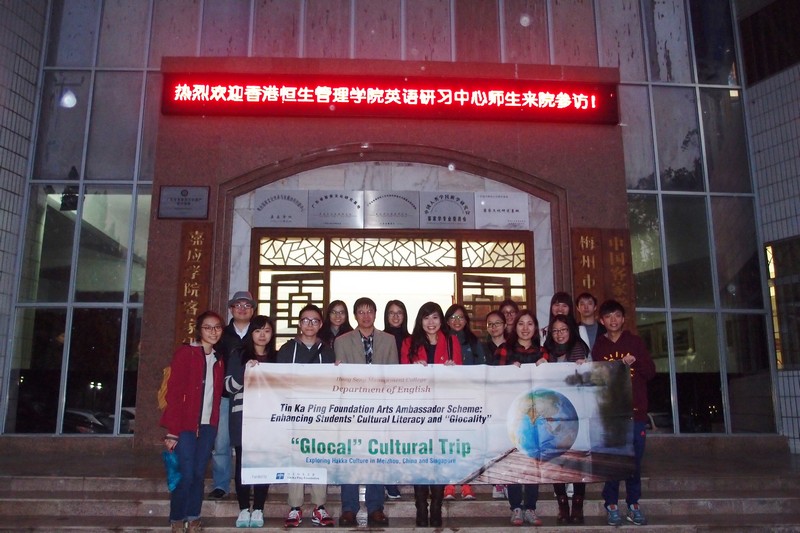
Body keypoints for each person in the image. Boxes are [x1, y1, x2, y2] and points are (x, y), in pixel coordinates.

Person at [334, 297, 398, 528]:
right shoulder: (341, 341)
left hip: (380, 410)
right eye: (361, 311)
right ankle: (349, 508)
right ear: (355, 315)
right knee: (349, 457)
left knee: (376, 457)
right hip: (351, 410)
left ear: (375, 313)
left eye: (370, 311)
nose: (366, 315)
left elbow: (393, 376)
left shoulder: (389, 340)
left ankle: (375, 507)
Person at [592, 299, 656, 527]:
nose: (613, 320)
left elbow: (650, 372)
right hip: (611, 415)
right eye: (608, 317)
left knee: (634, 462)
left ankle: (633, 503)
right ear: (602, 321)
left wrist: (635, 363)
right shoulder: (599, 345)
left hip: (636, 413)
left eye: (617, 315)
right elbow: (596, 378)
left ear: (623, 318)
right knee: (612, 461)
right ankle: (610, 504)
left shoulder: (635, 342)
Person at [161, 311, 225, 533]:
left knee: (198, 474)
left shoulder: (218, 360)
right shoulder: (185, 354)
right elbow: (174, 393)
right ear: (200, 330)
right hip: (185, 427)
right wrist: (172, 431)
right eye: (208, 327)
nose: (213, 331)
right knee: (185, 474)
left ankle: (194, 516)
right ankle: (177, 518)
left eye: (217, 327)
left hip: (207, 426)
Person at [401, 301, 462, 527]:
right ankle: (421, 506)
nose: (431, 322)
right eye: (426, 318)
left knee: (438, 457)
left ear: (441, 320)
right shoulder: (409, 342)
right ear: (420, 320)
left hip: (443, 410)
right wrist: (413, 367)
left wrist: (453, 367)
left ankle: (436, 505)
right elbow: (403, 374)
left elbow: (460, 375)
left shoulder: (451, 341)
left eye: (435, 317)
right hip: (417, 411)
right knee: (420, 458)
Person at [276, 304, 336, 527]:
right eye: (305, 320)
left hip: (320, 415)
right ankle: (295, 507)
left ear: (321, 324)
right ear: (299, 323)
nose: (310, 325)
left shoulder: (328, 351)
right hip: (294, 413)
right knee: (297, 458)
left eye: (314, 321)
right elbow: (277, 379)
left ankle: (319, 507)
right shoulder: (286, 349)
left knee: (318, 457)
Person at [494, 309, 547, 526]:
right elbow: (495, 381)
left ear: (535, 328)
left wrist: (547, 368)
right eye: (521, 324)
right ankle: (515, 507)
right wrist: (508, 371)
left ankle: (531, 508)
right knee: (513, 461)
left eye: (530, 324)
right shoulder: (504, 350)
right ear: (514, 328)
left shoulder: (544, 352)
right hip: (510, 413)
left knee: (533, 461)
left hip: (537, 414)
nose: (525, 328)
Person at [225, 315, 276, 528]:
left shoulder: (276, 358)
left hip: (267, 419)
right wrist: (246, 371)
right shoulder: (239, 354)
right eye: (257, 330)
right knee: (243, 463)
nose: (262, 335)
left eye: (266, 330)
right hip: (243, 417)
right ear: (251, 334)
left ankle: (259, 509)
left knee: (263, 462)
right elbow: (228, 386)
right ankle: (244, 508)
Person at [541, 314, 590, 524]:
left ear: (570, 331)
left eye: (563, 330)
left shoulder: (579, 348)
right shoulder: (547, 350)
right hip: (554, 413)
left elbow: (588, 379)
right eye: (555, 330)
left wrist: (585, 366)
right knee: (556, 458)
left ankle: (577, 504)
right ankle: (562, 504)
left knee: (578, 458)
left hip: (576, 412)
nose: (559, 334)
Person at [208, 291, 255, 500]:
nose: (242, 309)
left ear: (253, 310)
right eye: (238, 305)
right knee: (221, 443)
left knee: (252, 444)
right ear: (231, 309)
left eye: (247, 305)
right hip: (226, 396)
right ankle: (221, 484)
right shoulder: (221, 335)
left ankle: (252, 482)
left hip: (254, 400)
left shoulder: (260, 331)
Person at [443, 303, 484, 501]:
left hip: (469, 399)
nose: (456, 321)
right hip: (447, 399)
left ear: (466, 321)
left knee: (468, 443)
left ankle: (467, 484)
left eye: (460, 317)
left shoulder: (474, 342)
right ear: (447, 321)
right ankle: (449, 484)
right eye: (452, 317)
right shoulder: (442, 341)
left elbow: (481, 369)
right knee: (450, 443)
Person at [382, 299, 410, 500]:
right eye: (391, 312)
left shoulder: (412, 339)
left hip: (407, 396)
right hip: (383, 396)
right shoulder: (379, 338)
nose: (395, 316)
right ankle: (388, 480)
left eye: (399, 312)